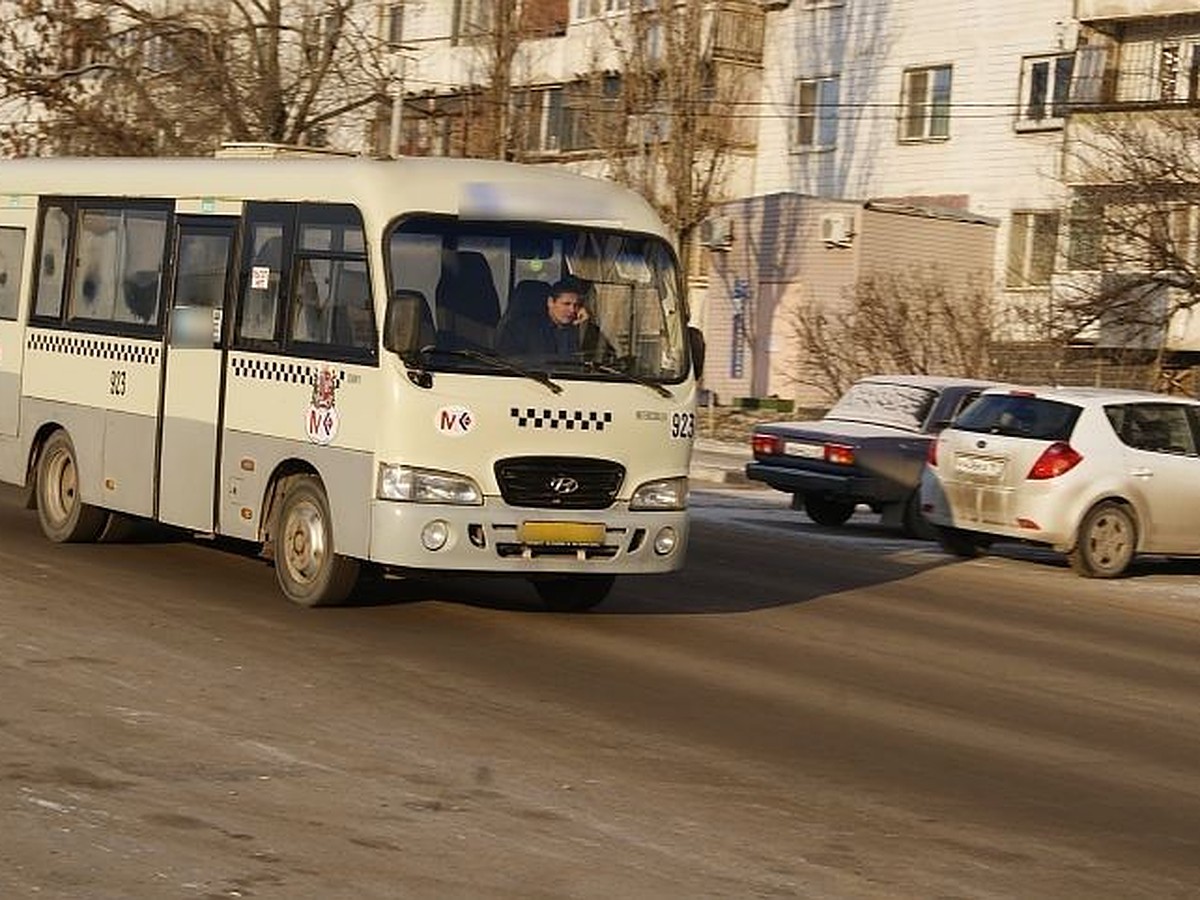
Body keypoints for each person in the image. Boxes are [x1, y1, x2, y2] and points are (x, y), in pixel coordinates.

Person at [496, 274, 607, 360]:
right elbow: (508, 362)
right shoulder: (523, 328)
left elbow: (605, 358)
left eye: (576, 305)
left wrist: (586, 328)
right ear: (550, 302)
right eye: (566, 304)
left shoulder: (583, 330)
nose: (572, 310)